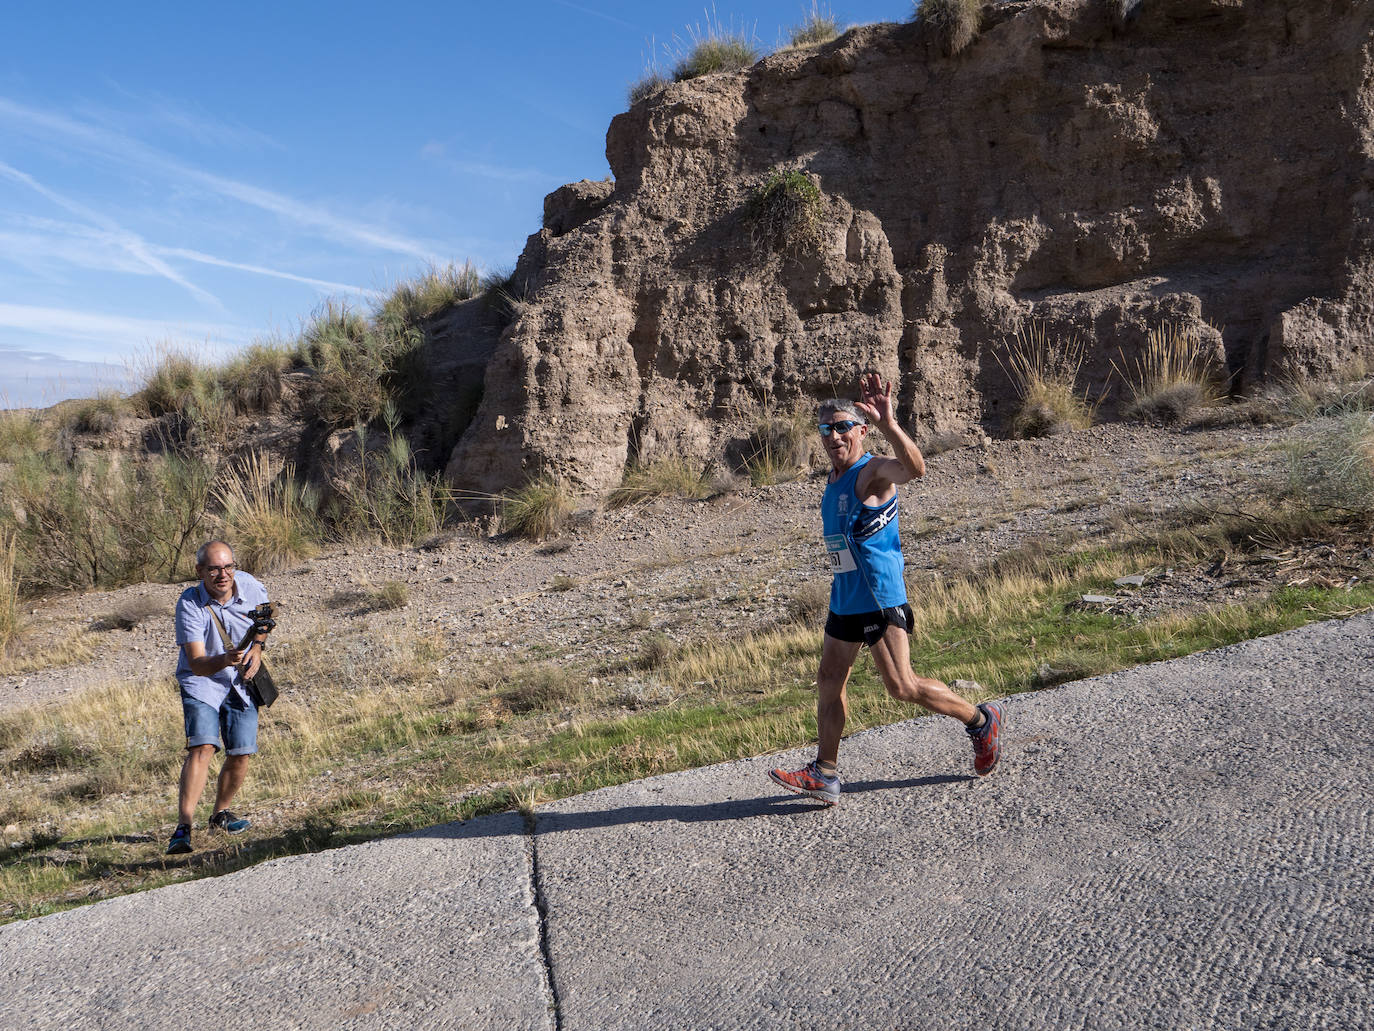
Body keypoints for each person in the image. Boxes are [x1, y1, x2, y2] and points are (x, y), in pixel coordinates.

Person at [768, 372, 1003, 805]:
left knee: (902, 686)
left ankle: (980, 720)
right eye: (825, 428)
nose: (833, 435)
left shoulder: (873, 469)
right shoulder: (835, 476)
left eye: (842, 426)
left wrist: (890, 425)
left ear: (860, 429)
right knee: (829, 679)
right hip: (846, 594)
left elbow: (915, 468)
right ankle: (826, 773)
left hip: (878, 594)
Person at [166, 540, 271, 854]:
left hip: (241, 681)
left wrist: (257, 648)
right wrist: (224, 660)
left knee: (241, 751)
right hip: (203, 682)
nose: (223, 575)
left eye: (228, 567)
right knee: (204, 745)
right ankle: (183, 827)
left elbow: (264, 620)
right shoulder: (189, 604)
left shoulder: (251, 586)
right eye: (213, 569)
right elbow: (197, 664)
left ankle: (220, 814)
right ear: (200, 571)